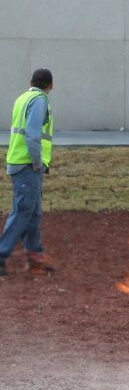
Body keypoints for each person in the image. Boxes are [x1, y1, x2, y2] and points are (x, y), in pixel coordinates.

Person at [0, 68, 55, 276]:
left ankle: (34, 255)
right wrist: (37, 162)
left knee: (33, 212)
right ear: (50, 85)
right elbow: (32, 135)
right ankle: (2, 254)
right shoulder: (40, 101)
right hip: (27, 165)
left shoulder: (22, 98)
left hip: (18, 162)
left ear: (31, 81)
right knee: (23, 211)